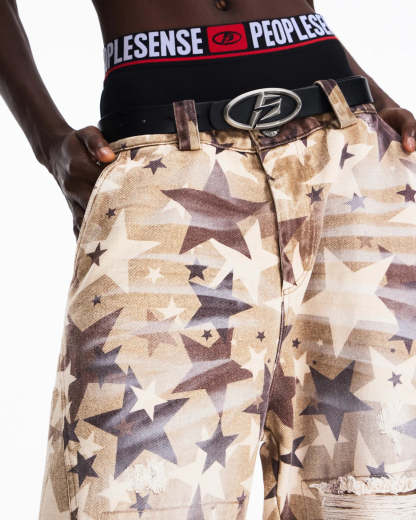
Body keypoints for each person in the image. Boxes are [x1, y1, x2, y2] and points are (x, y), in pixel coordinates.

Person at [2, 1, 416, 519]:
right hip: (166, 167)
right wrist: (47, 141)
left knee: (369, 495)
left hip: (351, 162)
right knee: (133, 494)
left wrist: (375, 98)